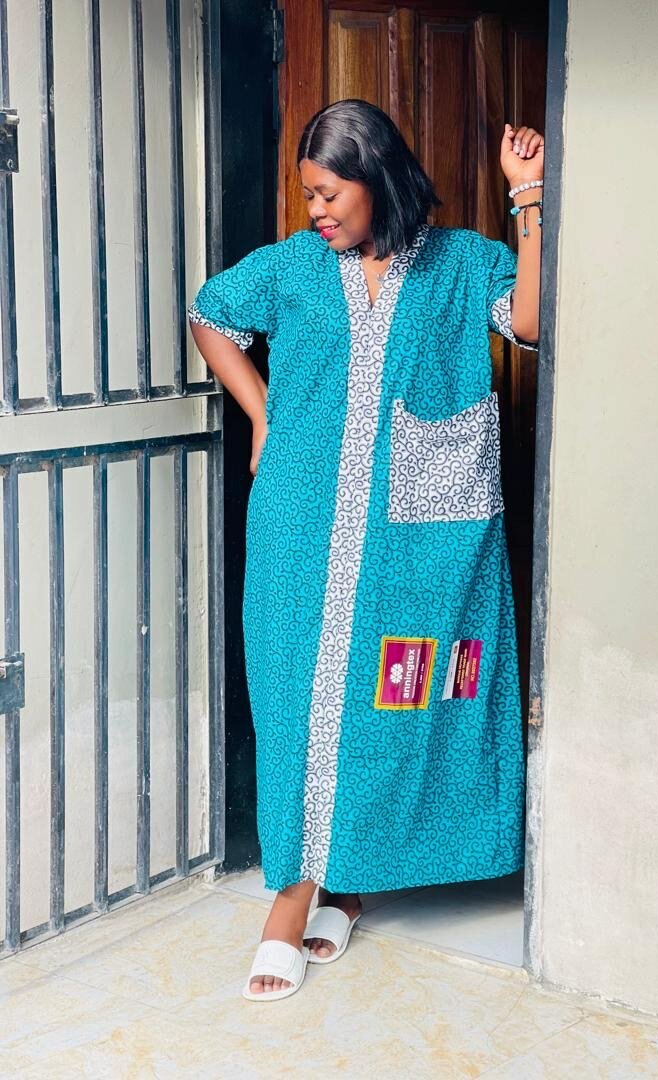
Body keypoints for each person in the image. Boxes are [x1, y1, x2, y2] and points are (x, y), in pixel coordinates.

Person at [188, 98, 543, 1001]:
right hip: (299, 519)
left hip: (416, 534)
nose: (315, 210)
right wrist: (262, 414)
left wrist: (529, 197)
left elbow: (535, 324)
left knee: (391, 698)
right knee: (297, 692)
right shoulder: (293, 267)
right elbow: (210, 313)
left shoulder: (462, 262)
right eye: (307, 193)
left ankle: (344, 884)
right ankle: (290, 897)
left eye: (328, 193)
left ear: (376, 178)